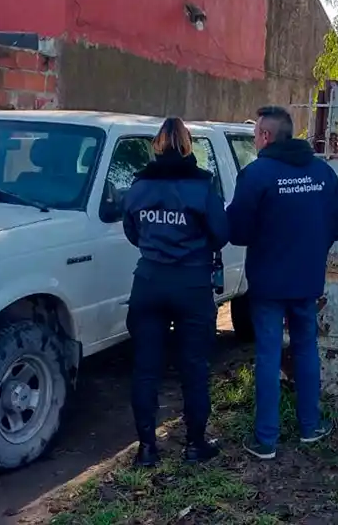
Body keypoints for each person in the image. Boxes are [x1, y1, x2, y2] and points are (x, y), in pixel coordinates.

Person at [226, 106, 338, 460]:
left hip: (267, 283)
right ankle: (310, 426)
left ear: (265, 136)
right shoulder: (322, 173)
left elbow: (237, 230)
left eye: (255, 135)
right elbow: (337, 224)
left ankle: (266, 439)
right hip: (307, 279)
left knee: (267, 354)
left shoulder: (256, 175)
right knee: (306, 348)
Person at [122, 117, 230, 467]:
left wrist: (157, 247)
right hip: (191, 284)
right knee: (194, 367)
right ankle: (195, 444)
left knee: (145, 369)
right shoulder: (201, 186)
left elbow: (131, 230)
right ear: (187, 146)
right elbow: (220, 233)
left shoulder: (139, 185)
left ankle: (146, 449)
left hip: (149, 282)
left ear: (156, 145)